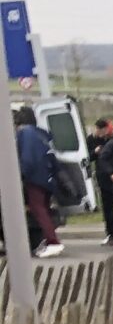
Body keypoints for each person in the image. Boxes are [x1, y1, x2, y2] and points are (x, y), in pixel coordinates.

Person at [13, 107, 63, 257]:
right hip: (48, 177)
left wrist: (21, 175)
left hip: (35, 177)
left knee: (38, 209)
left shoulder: (25, 133)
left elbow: (27, 158)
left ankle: (53, 242)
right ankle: (47, 240)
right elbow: (53, 158)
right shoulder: (42, 134)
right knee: (44, 210)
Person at [83, 115, 113, 243]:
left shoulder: (112, 139)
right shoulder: (91, 139)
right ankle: (110, 233)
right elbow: (87, 157)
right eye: (98, 130)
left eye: (103, 130)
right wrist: (95, 152)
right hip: (102, 175)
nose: (100, 133)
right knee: (107, 205)